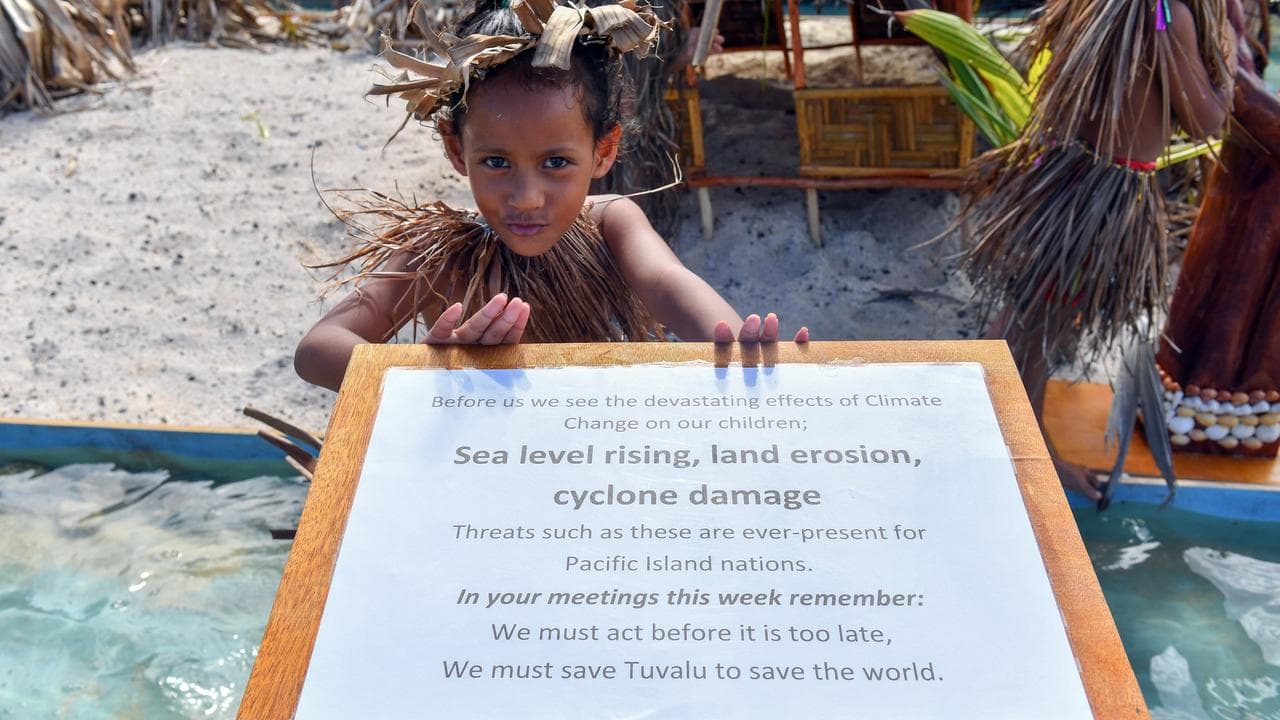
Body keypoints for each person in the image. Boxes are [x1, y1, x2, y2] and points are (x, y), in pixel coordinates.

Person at [295, 0, 806, 392]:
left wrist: (738, 347)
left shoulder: (610, 223)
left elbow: (668, 284)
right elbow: (318, 349)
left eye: (556, 163)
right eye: (496, 163)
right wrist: (437, 374)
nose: (527, 198)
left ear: (604, 151)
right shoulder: (435, 257)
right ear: (457, 150)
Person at [960, 0, 1237, 499]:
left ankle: (995, 422)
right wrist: (1230, 49)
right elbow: (1205, 121)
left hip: (1066, 177)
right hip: (1100, 194)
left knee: (1028, 314)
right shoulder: (1164, 12)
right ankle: (1030, 453)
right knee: (1042, 325)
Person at [1156, 2, 1279, 457]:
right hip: (1252, 190)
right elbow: (1213, 114)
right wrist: (1230, 75)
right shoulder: (1177, 12)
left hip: (1255, 189)